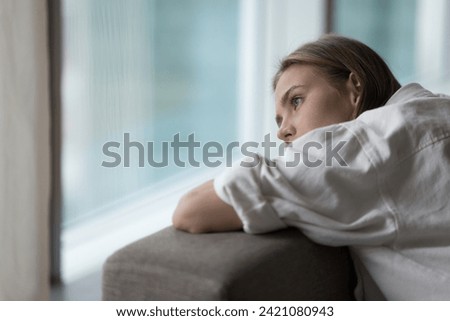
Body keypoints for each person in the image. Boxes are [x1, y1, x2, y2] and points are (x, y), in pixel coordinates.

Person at [172, 34, 450, 300]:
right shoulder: (433, 112)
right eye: (278, 121)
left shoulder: (371, 144)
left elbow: (193, 209)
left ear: (354, 88)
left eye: (296, 100)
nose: (282, 133)